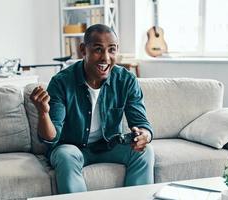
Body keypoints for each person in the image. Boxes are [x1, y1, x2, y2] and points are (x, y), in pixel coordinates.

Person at [30, 24, 154, 194]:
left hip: (110, 144)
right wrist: (43, 113)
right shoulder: (61, 82)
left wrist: (144, 135)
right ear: (83, 50)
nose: (106, 58)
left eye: (112, 50)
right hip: (72, 147)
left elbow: (141, 123)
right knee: (65, 156)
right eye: (98, 49)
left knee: (144, 152)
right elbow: (51, 138)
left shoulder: (126, 80)